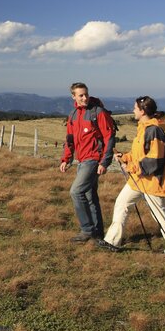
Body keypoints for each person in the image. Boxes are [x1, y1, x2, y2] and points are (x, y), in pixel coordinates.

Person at [102, 95, 165, 258]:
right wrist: (125, 157)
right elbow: (140, 154)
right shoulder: (144, 127)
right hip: (139, 180)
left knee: (160, 215)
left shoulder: (154, 130)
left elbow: (154, 160)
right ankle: (112, 241)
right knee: (122, 203)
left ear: (143, 110)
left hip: (152, 181)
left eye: (135, 108)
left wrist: (130, 167)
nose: (133, 110)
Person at [58, 82, 116, 245]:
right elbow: (70, 139)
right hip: (82, 160)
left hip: (93, 159)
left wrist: (104, 161)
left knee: (76, 192)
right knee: (90, 196)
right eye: (81, 95)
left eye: (86, 94)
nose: (85, 97)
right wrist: (66, 159)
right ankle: (97, 233)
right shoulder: (73, 115)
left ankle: (87, 230)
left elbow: (109, 137)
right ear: (73, 97)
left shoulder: (97, 112)